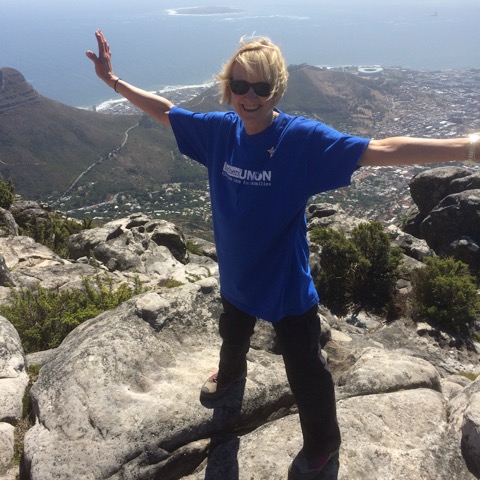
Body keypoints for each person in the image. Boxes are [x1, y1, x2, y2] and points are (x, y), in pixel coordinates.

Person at [86, 29, 478, 479]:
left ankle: (323, 445)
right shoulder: (219, 132)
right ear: (227, 85)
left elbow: (382, 149)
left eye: (260, 88)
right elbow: (165, 111)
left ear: (277, 90)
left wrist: (468, 148)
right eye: (239, 85)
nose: (248, 97)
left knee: (306, 373)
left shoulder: (301, 141)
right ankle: (231, 376)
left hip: (286, 285)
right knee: (231, 331)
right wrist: (112, 80)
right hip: (236, 275)